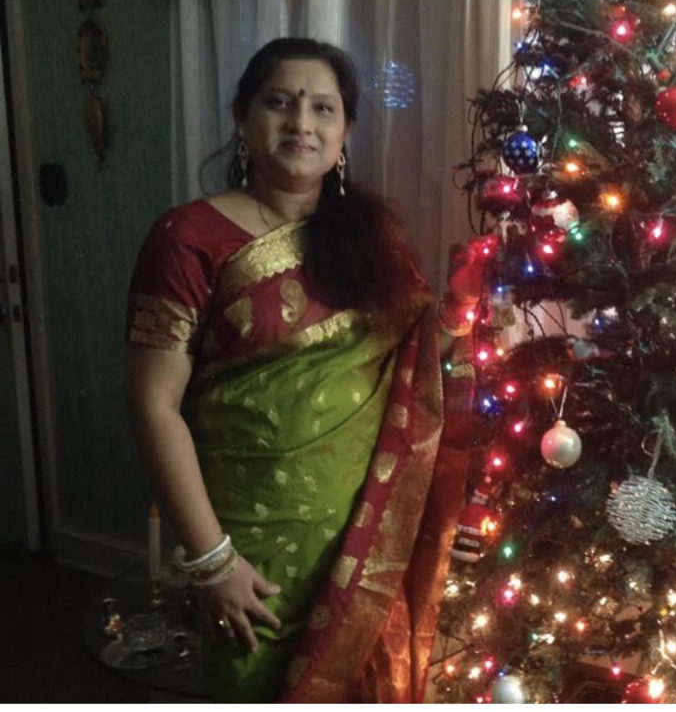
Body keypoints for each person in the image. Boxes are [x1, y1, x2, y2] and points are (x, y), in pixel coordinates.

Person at [125, 37, 489, 702]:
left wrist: (463, 307)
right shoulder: (187, 239)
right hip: (253, 553)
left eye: (323, 108)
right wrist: (213, 560)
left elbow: (417, 368)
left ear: (345, 131)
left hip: (369, 537)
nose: (301, 123)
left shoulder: (374, 240)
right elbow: (154, 406)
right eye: (279, 102)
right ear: (242, 116)